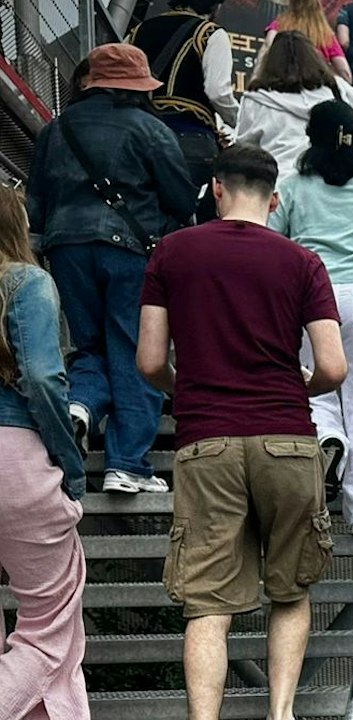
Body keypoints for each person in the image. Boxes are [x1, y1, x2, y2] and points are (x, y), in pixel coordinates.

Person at [136, 143, 347, 720]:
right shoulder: (303, 262)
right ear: (275, 200)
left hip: (207, 441)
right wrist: (293, 387)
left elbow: (148, 360)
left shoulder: (173, 253)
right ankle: (282, 719)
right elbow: (335, 366)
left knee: (208, 604)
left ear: (216, 188)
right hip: (287, 438)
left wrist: (188, 387)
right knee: (290, 588)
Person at [25, 43, 195, 496]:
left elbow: (36, 203)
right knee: (136, 351)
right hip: (129, 254)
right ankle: (128, 464)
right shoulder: (150, 129)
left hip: (65, 251)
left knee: (90, 347)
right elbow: (181, 199)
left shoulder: (55, 131)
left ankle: (80, 408)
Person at [0, 186, 90, 720]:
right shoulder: (27, 282)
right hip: (16, 459)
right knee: (48, 624)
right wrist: (71, 465)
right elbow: (41, 375)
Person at [271, 100, 353, 535]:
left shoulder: (292, 186)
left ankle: (328, 436)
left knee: (314, 384)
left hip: (311, 295)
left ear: (312, 139)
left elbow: (274, 240)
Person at [128, 0, 237, 212]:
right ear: (214, 6)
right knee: (187, 218)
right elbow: (218, 91)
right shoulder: (210, 33)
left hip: (137, 137)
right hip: (189, 140)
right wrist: (240, 121)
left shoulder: (137, 32)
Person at [235, 32, 353, 188]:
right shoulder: (338, 89)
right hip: (337, 187)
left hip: (278, 188)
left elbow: (244, 154)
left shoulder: (255, 99)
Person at [256, 0, 351, 81]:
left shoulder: (279, 25)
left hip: (283, 85)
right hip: (316, 88)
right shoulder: (325, 35)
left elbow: (267, 48)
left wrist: (256, 78)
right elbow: (345, 73)